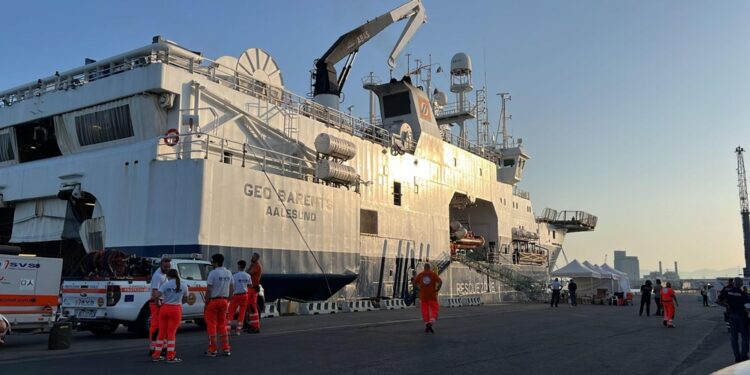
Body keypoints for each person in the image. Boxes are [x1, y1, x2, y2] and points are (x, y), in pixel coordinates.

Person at [151, 269, 187, 363]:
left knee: (161, 333)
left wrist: (158, 303)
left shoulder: (166, 284)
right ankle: (170, 356)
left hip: (164, 308)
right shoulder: (183, 285)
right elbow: (185, 299)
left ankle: (156, 355)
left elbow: (156, 295)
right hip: (175, 309)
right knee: (171, 334)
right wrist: (179, 302)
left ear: (169, 276)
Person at [205, 254, 233, 357]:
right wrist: (228, 299)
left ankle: (213, 350)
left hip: (214, 301)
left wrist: (206, 302)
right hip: (224, 301)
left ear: (216, 262)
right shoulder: (229, 273)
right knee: (222, 325)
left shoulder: (213, 273)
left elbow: (209, 289)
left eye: (213, 262)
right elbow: (232, 288)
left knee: (212, 325)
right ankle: (226, 348)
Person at [718, 277, 750, 363]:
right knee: (745, 337)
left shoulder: (727, 292)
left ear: (734, 283)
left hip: (732, 316)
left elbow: (718, 300)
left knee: (734, 337)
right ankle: (744, 357)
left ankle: (737, 357)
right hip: (743, 317)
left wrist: (727, 306)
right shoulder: (744, 294)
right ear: (741, 284)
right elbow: (748, 307)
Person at [149, 257, 171, 355]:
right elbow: (155, 291)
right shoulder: (158, 276)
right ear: (161, 264)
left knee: (162, 325)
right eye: (165, 267)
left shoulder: (163, 274)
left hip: (161, 302)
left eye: (168, 267)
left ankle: (162, 346)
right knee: (155, 325)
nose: (167, 269)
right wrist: (158, 303)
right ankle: (153, 348)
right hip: (156, 302)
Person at [413, 263, 442, 333]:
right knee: (435, 308)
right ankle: (431, 322)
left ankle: (427, 323)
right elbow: (440, 282)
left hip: (423, 296)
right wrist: (437, 289)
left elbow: (414, 282)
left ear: (424, 268)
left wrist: (418, 289)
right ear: (429, 268)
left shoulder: (420, 275)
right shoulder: (433, 274)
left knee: (424, 310)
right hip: (432, 295)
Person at [227, 260, 251, 336]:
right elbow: (250, 285)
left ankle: (227, 330)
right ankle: (238, 330)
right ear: (244, 266)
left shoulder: (234, 276)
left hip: (236, 296)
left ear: (239, 266)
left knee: (231, 312)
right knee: (242, 313)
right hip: (244, 296)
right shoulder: (248, 276)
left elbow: (232, 286)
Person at [245, 253, 263, 334]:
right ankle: (253, 326)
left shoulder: (256, 265)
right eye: (252, 257)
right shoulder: (254, 265)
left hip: (253, 289)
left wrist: (249, 268)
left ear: (257, 258)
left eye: (253, 257)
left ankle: (255, 327)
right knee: (250, 307)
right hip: (251, 288)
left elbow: (248, 273)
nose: (252, 258)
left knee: (252, 307)